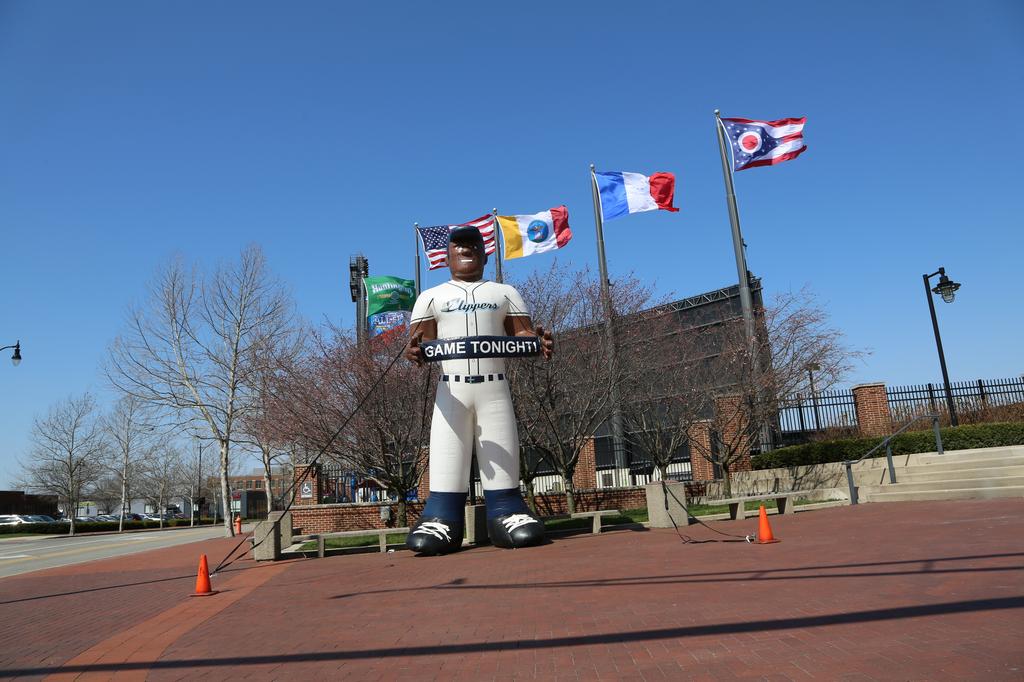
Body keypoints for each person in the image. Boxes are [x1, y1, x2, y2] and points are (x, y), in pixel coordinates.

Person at [403, 224, 553, 555]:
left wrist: (536, 342)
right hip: (451, 390)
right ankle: (441, 516)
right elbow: (419, 343)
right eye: (459, 244)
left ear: (485, 254)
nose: (466, 249)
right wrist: (414, 351)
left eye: (474, 243)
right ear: (446, 255)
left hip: (494, 387)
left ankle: (507, 511)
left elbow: (523, 335)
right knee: (446, 451)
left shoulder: (504, 292)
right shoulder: (431, 296)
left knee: (501, 449)